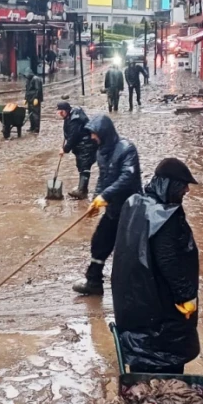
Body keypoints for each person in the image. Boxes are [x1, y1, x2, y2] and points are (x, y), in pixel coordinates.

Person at [112, 158, 200, 373]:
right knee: (165, 373)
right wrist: (185, 296)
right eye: (183, 185)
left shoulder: (134, 204)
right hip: (159, 308)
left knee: (140, 368)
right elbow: (170, 261)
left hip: (132, 304)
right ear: (169, 184)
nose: (186, 190)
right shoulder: (166, 217)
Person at [73, 114, 142, 296]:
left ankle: (133, 287)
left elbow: (127, 177)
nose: (92, 138)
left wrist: (105, 195)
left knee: (128, 250)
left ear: (104, 132)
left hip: (131, 209)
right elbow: (102, 179)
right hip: (113, 209)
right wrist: (96, 200)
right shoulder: (101, 152)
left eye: (94, 134)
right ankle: (94, 281)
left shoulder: (127, 149)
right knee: (100, 241)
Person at [57, 101, 95, 199]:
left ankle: (82, 191)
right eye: (59, 112)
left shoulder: (75, 120)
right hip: (81, 145)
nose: (60, 114)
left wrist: (65, 149)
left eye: (61, 112)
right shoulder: (70, 116)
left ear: (66, 110)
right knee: (81, 166)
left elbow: (73, 137)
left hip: (86, 145)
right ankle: (83, 189)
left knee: (84, 167)